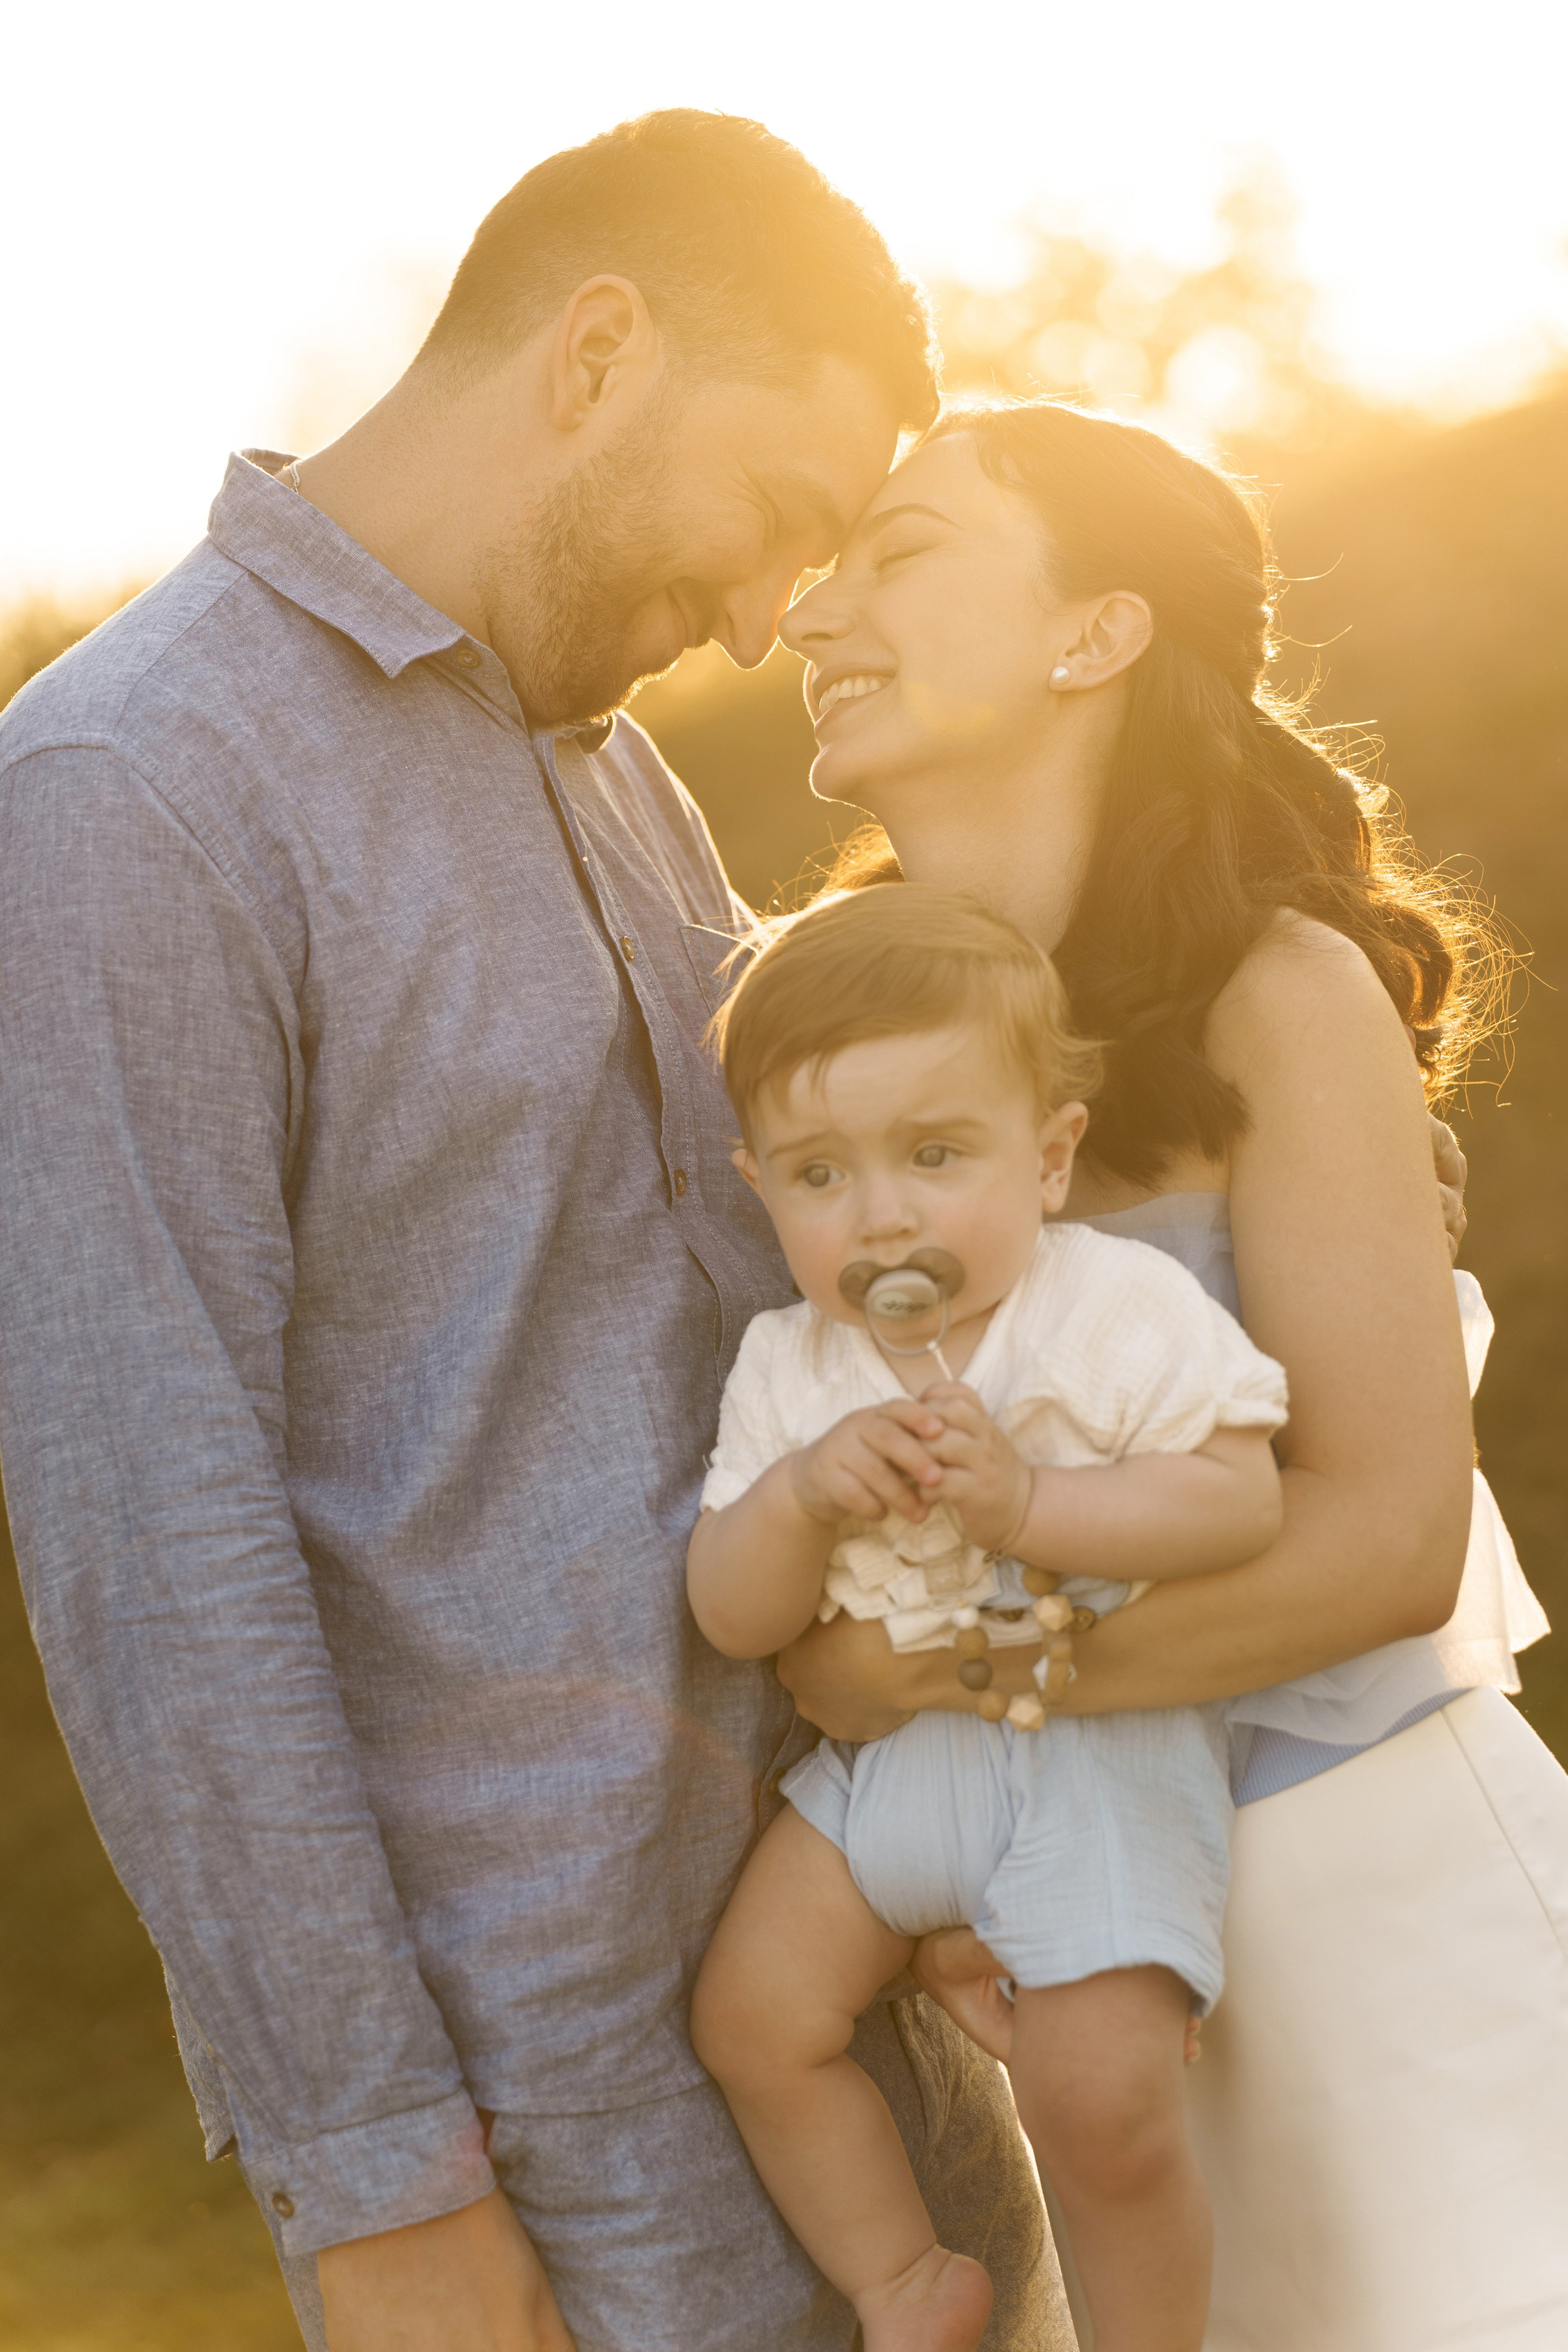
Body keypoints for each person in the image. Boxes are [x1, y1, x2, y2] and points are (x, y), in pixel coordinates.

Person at [0, 117, 1072, 2352]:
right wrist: (374, 2180)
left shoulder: (608, 762)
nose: (779, 614)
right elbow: (152, 1544)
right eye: (777, 517)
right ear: (599, 352)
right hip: (563, 2142)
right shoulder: (130, 796)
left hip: (872, 2029)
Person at [769, 396, 1568, 2351]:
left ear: (1097, 631)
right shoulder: (825, 1045)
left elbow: (1385, 1547)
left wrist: (979, 1693)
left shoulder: (1276, 997)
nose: (813, 614)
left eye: (904, 552)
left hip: (1379, 1922)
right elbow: (811, 1615)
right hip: (1096, 1981)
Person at [685, 886, 1290, 2352]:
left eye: (935, 1155)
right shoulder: (790, 1365)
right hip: (895, 1773)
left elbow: (1236, 1503)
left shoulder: (1109, 1309)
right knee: (752, 2022)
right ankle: (906, 2280)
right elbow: (727, 1611)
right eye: (820, 1174)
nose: (881, 1212)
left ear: (1050, 1157)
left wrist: (1028, 1509)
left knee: (1097, 2102)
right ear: (757, 1184)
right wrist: (799, 1502)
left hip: (1094, 1750)